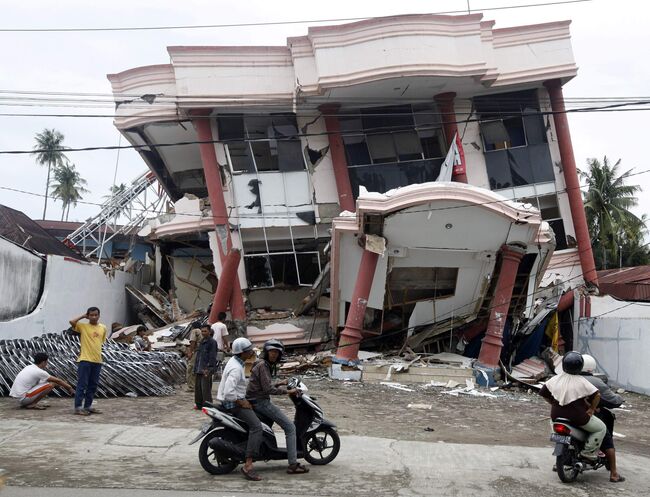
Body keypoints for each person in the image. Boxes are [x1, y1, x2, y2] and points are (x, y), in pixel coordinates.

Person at [247, 339, 308, 475]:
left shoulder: (262, 364)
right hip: (260, 402)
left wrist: (280, 382)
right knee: (290, 427)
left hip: (255, 399)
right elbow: (268, 389)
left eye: (276, 352)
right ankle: (293, 464)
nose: (274, 354)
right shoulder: (263, 365)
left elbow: (263, 385)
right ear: (266, 352)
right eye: (271, 351)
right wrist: (288, 391)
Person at [539, 351, 607, 461]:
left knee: (553, 423)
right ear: (580, 366)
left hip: (556, 416)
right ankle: (588, 452)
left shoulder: (555, 379)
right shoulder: (582, 381)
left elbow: (544, 393)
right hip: (578, 417)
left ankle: (562, 452)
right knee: (601, 428)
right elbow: (597, 395)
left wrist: (553, 402)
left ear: (563, 364)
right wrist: (591, 409)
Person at [217, 337, 263, 481]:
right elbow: (229, 392)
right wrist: (242, 402)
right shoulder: (236, 368)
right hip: (233, 405)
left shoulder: (235, 362)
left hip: (231, 401)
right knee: (257, 427)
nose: (251, 352)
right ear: (243, 352)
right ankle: (248, 465)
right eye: (249, 350)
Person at [581, 354, 626, 483]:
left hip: (566, 414)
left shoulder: (568, 379)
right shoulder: (595, 382)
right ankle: (613, 474)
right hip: (585, 416)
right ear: (591, 368)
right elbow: (610, 398)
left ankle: (559, 462)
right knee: (606, 436)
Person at [69, 307, 107, 416]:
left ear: (99, 315)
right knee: (82, 384)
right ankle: (78, 407)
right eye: (91, 315)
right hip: (85, 360)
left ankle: (88, 406)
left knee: (93, 385)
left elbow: (101, 342)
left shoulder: (103, 328)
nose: (94, 317)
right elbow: (72, 322)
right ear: (88, 316)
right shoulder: (83, 326)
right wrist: (82, 316)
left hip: (97, 360)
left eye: (96, 315)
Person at [10, 352, 74, 409]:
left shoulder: (29, 367)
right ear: (43, 362)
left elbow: (43, 383)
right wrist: (69, 387)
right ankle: (33, 404)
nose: (47, 364)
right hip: (23, 398)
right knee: (51, 384)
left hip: (19, 398)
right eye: (47, 362)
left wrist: (60, 384)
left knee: (49, 382)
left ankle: (30, 403)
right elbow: (57, 381)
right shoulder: (39, 371)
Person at [194, 325, 218, 409]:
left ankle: (208, 405)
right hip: (199, 367)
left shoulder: (212, 342)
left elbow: (212, 356)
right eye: (202, 331)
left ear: (209, 331)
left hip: (206, 368)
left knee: (206, 389)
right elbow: (199, 355)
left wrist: (209, 368)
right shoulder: (202, 341)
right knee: (198, 388)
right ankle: (199, 404)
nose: (203, 333)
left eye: (205, 331)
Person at [185, 322, 203, 392]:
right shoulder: (202, 331)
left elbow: (193, 342)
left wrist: (190, 352)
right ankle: (197, 385)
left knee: (190, 368)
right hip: (202, 352)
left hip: (197, 352)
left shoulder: (194, 331)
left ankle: (191, 386)